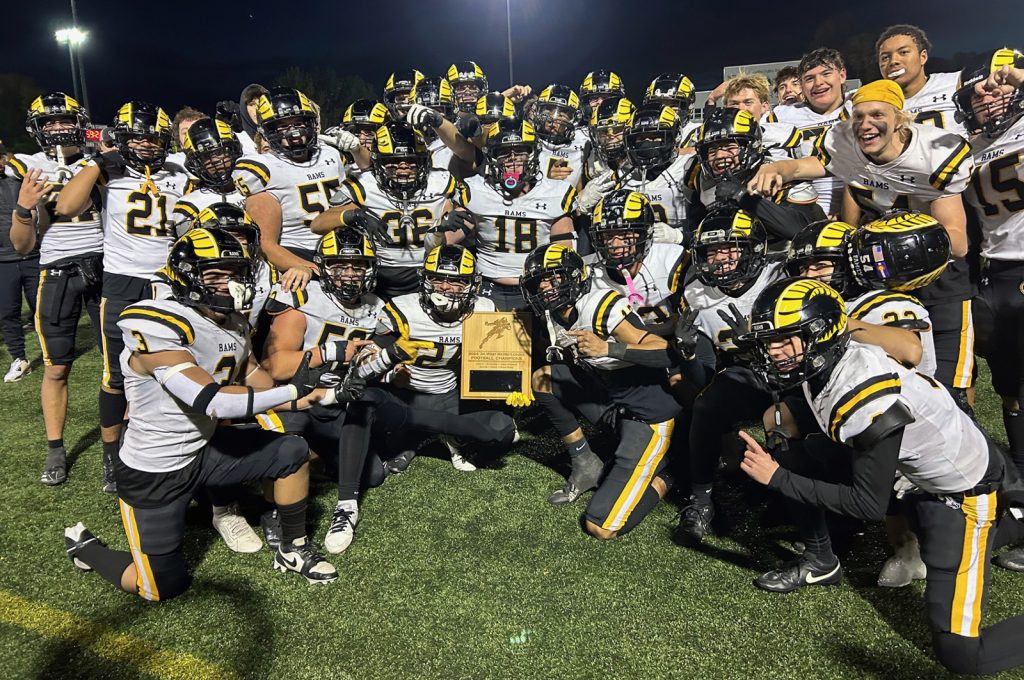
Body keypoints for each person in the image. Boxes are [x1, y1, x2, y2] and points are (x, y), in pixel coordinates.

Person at [740, 276, 1024, 675]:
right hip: (928, 470)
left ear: (821, 335)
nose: (773, 352)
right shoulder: (834, 360)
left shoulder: (864, 391)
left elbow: (867, 504)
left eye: (786, 339)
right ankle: (1014, 518)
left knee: (962, 654)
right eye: (768, 342)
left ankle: (1006, 517)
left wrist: (776, 478)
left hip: (964, 493)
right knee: (803, 450)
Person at [63, 228, 348, 600]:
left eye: (235, 273)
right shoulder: (157, 322)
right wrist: (296, 389)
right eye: (215, 274)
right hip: (155, 469)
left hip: (205, 448)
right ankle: (86, 549)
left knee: (291, 450)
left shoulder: (234, 323)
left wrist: (314, 396)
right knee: (161, 587)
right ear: (185, 275)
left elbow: (257, 381)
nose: (228, 284)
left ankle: (293, 548)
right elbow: (213, 402)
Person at [749, 79, 976, 411]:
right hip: (881, 271)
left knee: (950, 386)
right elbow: (804, 166)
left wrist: (899, 240)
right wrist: (777, 168)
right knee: (888, 375)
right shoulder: (846, 143)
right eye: (858, 116)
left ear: (900, 119)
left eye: (876, 114)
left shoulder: (936, 152)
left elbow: (956, 243)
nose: (865, 124)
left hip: (936, 273)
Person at [56, 100, 191, 493]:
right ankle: (111, 455)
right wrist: (98, 163)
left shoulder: (178, 171)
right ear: (122, 139)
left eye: (153, 140)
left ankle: (169, 442)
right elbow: (65, 206)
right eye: (138, 139)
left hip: (170, 281)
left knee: (174, 365)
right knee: (116, 374)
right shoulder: (106, 172)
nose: (147, 147)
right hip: (123, 281)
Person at [523, 242, 679, 531]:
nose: (545, 287)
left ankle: (671, 475)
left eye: (552, 277)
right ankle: (585, 464)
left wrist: (609, 348)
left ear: (574, 276)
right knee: (542, 378)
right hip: (615, 404)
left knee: (601, 526)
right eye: (539, 281)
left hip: (648, 415)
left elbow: (665, 352)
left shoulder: (599, 305)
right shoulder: (555, 313)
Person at [7, 94, 102, 485]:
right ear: (36, 129)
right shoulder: (30, 166)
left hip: (105, 265)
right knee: (57, 366)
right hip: (56, 269)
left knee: (119, 366)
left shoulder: (101, 159)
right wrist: (24, 209)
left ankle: (116, 445)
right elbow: (23, 246)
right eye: (49, 123)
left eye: (64, 121)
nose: (58, 128)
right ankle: (55, 447)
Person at [958, 49, 1024, 561]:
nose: (987, 96)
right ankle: (1020, 503)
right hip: (996, 272)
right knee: (1013, 394)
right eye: (978, 89)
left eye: (997, 86)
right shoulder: (973, 145)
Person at [443, 118, 577, 312]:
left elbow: (564, 255)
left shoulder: (556, 194)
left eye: (521, 151)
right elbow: (442, 242)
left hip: (537, 286)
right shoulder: (476, 189)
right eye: (504, 153)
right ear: (492, 157)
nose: (513, 159)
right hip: (486, 287)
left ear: (534, 153)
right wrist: (440, 227)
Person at [232, 87, 357, 294]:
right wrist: (309, 268)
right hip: (297, 254)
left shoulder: (330, 154)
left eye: (298, 123)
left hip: (342, 252)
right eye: (282, 127)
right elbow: (265, 245)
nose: (294, 132)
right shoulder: (261, 168)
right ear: (267, 132)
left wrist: (357, 149)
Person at [311, 122, 456, 298]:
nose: (403, 169)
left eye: (412, 162)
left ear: (424, 161)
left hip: (429, 270)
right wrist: (353, 215)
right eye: (392, 163)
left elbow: (459, 215)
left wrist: (452, 220)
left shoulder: (440, 180)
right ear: (378, 162)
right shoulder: (366, 184)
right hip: (381, 272)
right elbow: (318, 224)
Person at [771, 48, 852, 215]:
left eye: (826, 74)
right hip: (804, 208)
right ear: (802, 85)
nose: (818, 83)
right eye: (809, 78)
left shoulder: (860, 103)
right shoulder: (783, 114)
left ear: (842, 75)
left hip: (861, 200)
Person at [876, 23, 967, 135]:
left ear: (923, 57)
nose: (893, 61)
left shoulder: (956, 82)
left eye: (903, 52)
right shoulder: (871, 101)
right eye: (885, 57)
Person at [0, 142, 40, 384]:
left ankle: (51, 353)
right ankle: (19, 358)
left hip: (33, 255)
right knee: (8, 313)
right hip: (2, 260)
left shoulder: (17, 181)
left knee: (43, 310)